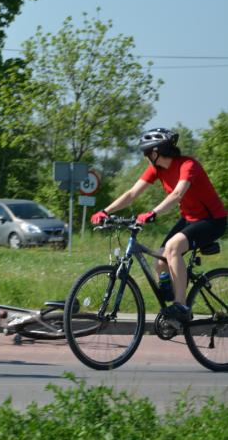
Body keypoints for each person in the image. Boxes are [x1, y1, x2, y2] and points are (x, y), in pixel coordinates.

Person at [90, 127, 226, 323]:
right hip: (189, 219)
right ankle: (172, 296)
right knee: (160, 262)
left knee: (173, 247)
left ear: (156, 152)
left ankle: (181, 306)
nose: (145, 157)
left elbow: (177, 194)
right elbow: (132, 194)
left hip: (212, 220)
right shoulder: (157, 169)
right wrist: (106, 211)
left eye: (146, 152)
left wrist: (153, 213)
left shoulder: (188, 165)